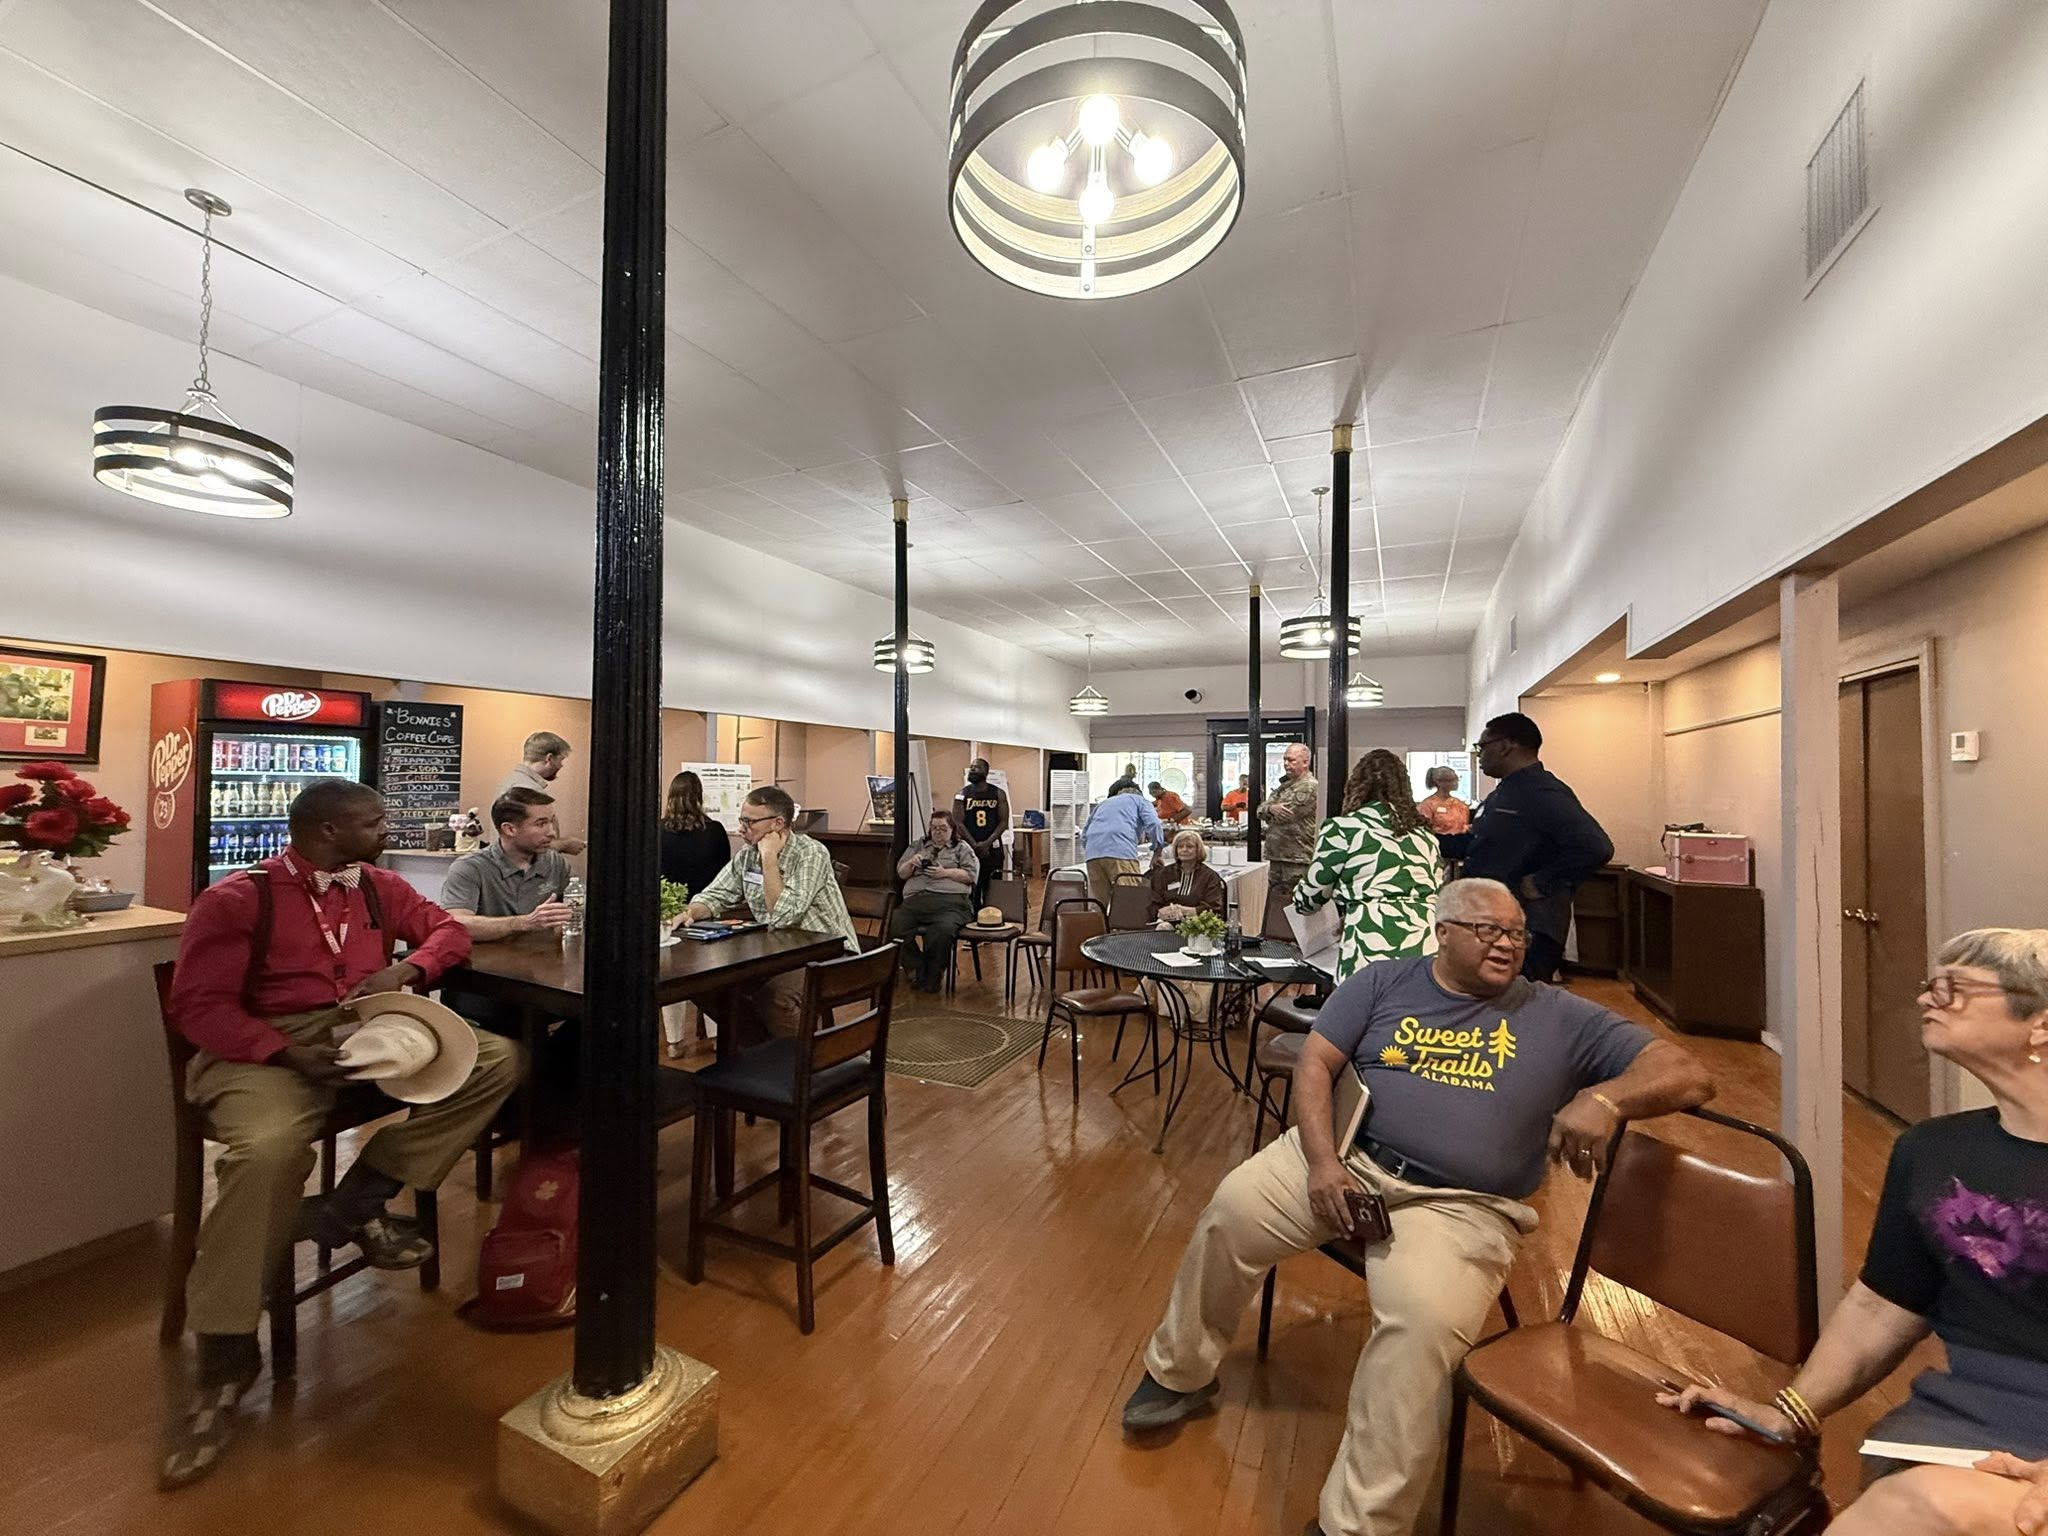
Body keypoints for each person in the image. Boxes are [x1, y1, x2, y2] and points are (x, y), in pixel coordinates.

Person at [1121, 878, 1712, 1536]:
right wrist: (1323, 1162)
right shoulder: (1382, 982)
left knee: (1423, 1326)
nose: (1507, 944)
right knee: (1231, 1210)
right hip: (1346, 1156)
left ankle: (1360, 1525)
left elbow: (1688, 1072)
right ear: (1443, 933)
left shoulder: (1559, 1015)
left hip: (1461, 1205)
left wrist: (1606, 1099)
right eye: (1488, 930)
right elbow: (1315, 1064)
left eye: (1517, 933)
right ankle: (1178, 1372)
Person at [160, 780, 524, 1489]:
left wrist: (408, 967)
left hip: (363, 1032)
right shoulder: (237, 899)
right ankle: (226, 1352)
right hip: (265, 1046)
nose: (387, 831)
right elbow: (199, 1007)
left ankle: (357, 1199)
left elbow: (446, 930)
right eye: (374, 822)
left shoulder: (378, 886)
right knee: (267, 1152)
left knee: (496, 1061)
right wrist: (285, 1051)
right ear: (327, 830)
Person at [1660, 928, 2048, 1535]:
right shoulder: (1931, 1150)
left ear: (2041, 1024)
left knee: (1922, 1505)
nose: (1926, 998)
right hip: (1967, 1415)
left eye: (1954, 988)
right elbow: (1883, 1304)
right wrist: (1791, 1413)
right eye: (1931, 984)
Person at [1439, 713, 1613, 984]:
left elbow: (1596, 847)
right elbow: (1477, 845)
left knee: (1517, 1002)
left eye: (1482, 746)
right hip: (1496, 919)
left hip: (1527, 927)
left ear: (1505, 746)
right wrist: (1419, 838)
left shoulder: (1542, 791)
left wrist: (1543, 881)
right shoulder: (1504, 792)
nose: (1479, 755)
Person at [684, 786, 859, 1046]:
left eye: (750, 822)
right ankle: (763, 1052)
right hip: (778, 952)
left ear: (777, 824)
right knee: (708, 987)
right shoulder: (746, 856)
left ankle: (803, 1063)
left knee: (777, 997)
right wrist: (689, 912)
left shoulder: (811, 853)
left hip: (831, 953)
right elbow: (714, 895)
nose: (742, 829)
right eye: (742, 820)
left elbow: (783, 915)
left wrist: (769, 858)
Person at [1294, 749, 1443, 981]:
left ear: (1355, 786)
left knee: (1365, 1002)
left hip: (1370, 937)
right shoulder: (1424, 835)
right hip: (1426, 941)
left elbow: (1310, 897)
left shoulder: (1343, 829)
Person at [887, 809, 979, 992]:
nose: (938, 832)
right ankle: (916, 968)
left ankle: (932, 976)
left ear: (952, 829)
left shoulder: (962, 848)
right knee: (893, 924)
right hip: (916, 901)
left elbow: (971, 875)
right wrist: (911, 862)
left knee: (941, 931)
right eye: (934, 828)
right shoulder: (918, 845)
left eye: (943, 828)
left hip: (951, 903)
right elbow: (901, 873)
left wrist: (945, 873)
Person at [493, 730, 586, 855]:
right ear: (549, 758)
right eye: (561, 760)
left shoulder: (513, 781)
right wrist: (563, 845)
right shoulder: (526, 789)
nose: (561, 765)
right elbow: (522, 840)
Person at [1082, 781, 1164, 911]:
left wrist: (1093, 850)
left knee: (1097, 903)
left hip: (1093, 853)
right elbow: (1154, 824)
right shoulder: (1140, 801)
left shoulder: (1103, 803)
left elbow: (1084, 834)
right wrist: (1157, 851)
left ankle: (1097, 923)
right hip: (1120, 851)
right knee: (1130, 899)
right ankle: (1127, 925)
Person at [1258, 742, 1321, 895]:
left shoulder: (1309, 787)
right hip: (1277, 856)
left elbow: (1286, 816)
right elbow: (1259, 811)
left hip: (1297, 859)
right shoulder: (1284, 787)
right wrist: (1271, 809)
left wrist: (1269, 811)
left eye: (1291, 760)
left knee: (1294, 902)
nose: (1286, 764)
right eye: (1285, 759)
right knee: (1275, 903)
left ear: (1305, 762)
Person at [659, 770, 731, 898]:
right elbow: (724, 873)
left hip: (667, 901)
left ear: (670, 796)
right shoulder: (715, 830)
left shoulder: (657, 830)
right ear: (699, 796)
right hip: (705, 901)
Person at [952, 758, 1010, 908]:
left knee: (993, 888)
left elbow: (1004, 822)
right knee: (973, 888)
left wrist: (986, 843)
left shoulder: (998, 793)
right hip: (969, 848)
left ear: (986, 771)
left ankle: (992, 915)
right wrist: (974, 845)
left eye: (976, 767)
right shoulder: (961, 794)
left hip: (993, 848)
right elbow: (958, 822)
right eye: (971, 767)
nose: (972, 769)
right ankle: (972, 915)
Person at [1148, 828, 1227, 925]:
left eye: (1189, 846)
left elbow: (1214, 909)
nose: (1184, 850)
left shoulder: (1209, 876)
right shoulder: (1163, 874)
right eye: (1180, 847)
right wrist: (1161, 912)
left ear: (1198, 850)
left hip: (1198, 924)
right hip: (1166, 923)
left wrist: (1184, 910)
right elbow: (1153, 902)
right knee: (1163, 927)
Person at [1415, 765, 1471, 836]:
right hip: (1439, 839)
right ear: (1438, 782)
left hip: (1461, 840)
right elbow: (1424, 829)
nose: (1455, 783)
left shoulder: (1460, 804)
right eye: (1451, 780)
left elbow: (1463, 825)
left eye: (1456, 779)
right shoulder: (1427, 805)